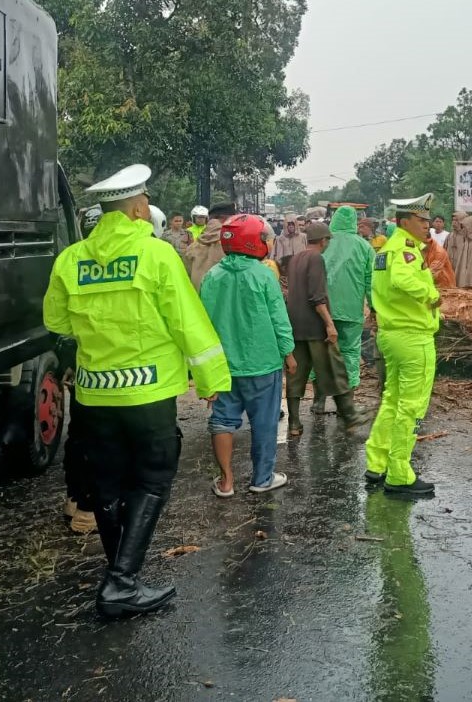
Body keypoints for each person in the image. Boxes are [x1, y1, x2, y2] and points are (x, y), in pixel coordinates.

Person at [43, 164, 231, 618]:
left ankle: (119, 572)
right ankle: (122, 582)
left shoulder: (70, 259)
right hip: (148, 397)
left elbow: (56, 322)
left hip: (93, 396)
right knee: (152, 479)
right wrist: (213, 379)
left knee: (107, 483)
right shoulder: (156, 255)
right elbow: (187, 322)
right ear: (139, 208)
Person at [201, 214, 295, 497]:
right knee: (264, 423)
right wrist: (288, 353)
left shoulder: (212, 276)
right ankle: (262, 479)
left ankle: (226, 481)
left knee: (222, 421)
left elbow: (202, 322)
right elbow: (279, 318)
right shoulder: (264, 274)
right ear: (254, 243)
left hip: (222, 365)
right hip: (262, 363)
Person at [364, 194, 440, 496]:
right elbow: (402, 281)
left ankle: (378, 461)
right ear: (405, 221)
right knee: (411, 406)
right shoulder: (405, 249)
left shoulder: (386, 249)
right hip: (412, 337)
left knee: (392, 400)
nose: (428, 226)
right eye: (422, 221)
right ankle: (399, 474)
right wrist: (431, 295)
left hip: (392, 334)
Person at [283, 222, 365, 437]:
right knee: (334, 368)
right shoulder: (316, 258)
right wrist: (329, 324)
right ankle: (350, 417)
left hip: (295, 324)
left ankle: (294, 423)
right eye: (327, 240)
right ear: (323, 241)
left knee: (296, 373)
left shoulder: (295, 259)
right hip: (314, 325)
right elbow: (317, 297)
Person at [60, 205, 104, 535]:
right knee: (101, 440)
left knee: (78, 434)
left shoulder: (69, 259)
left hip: (80, 364)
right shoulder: (131, 261)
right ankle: (88, 509)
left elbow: (56, 321)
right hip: (112, 372)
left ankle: (75, 500)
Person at [317, 205, 375, 412]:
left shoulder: (324, 243)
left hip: (323, 310)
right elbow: (370, 282)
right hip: (351, 310)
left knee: (323, 352)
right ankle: (347, 404)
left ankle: (319, 400)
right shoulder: (365, 247)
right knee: (350, 353)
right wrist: (374, 308)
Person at [185, 202, 237, 291]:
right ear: (227, 219)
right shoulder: (234, 244)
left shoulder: (192, 247)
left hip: (197, 298)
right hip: (223, 298)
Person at [447, 215, 472, 289]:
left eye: (464, 227)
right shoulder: (466, 242)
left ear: (470, 227)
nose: (463, 230)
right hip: (463, 280)